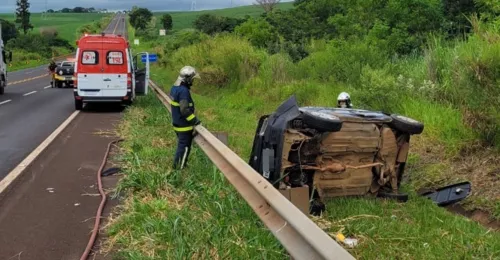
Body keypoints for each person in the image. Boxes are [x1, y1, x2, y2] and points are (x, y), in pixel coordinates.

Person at [170, 66, 202, 170]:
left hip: (177, 123)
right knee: (184, 148)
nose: (193, 81)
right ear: (187, 78)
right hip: (184, 126)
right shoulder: (183, 91)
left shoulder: (175, 87)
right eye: (192, 79)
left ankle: (181, 165)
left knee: (182, 147)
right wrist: (195, 121)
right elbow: (184, 110)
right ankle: (178, 169)